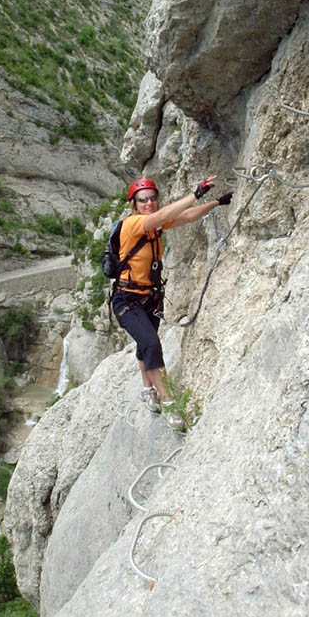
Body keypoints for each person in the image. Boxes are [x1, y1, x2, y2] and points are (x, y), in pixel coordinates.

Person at [111, 176, 233, 429]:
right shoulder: (133, 224)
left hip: (150, 296)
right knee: (152, 343)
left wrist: (216, 203)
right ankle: (169, 403)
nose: (149, 203)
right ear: (134, 204)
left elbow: (187, 216)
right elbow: (165, 213)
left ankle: (148, 389)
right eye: (143, 199)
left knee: (146, 344)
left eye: (153, 198)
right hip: (127, 298)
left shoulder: (155, 225)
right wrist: (195, 193)